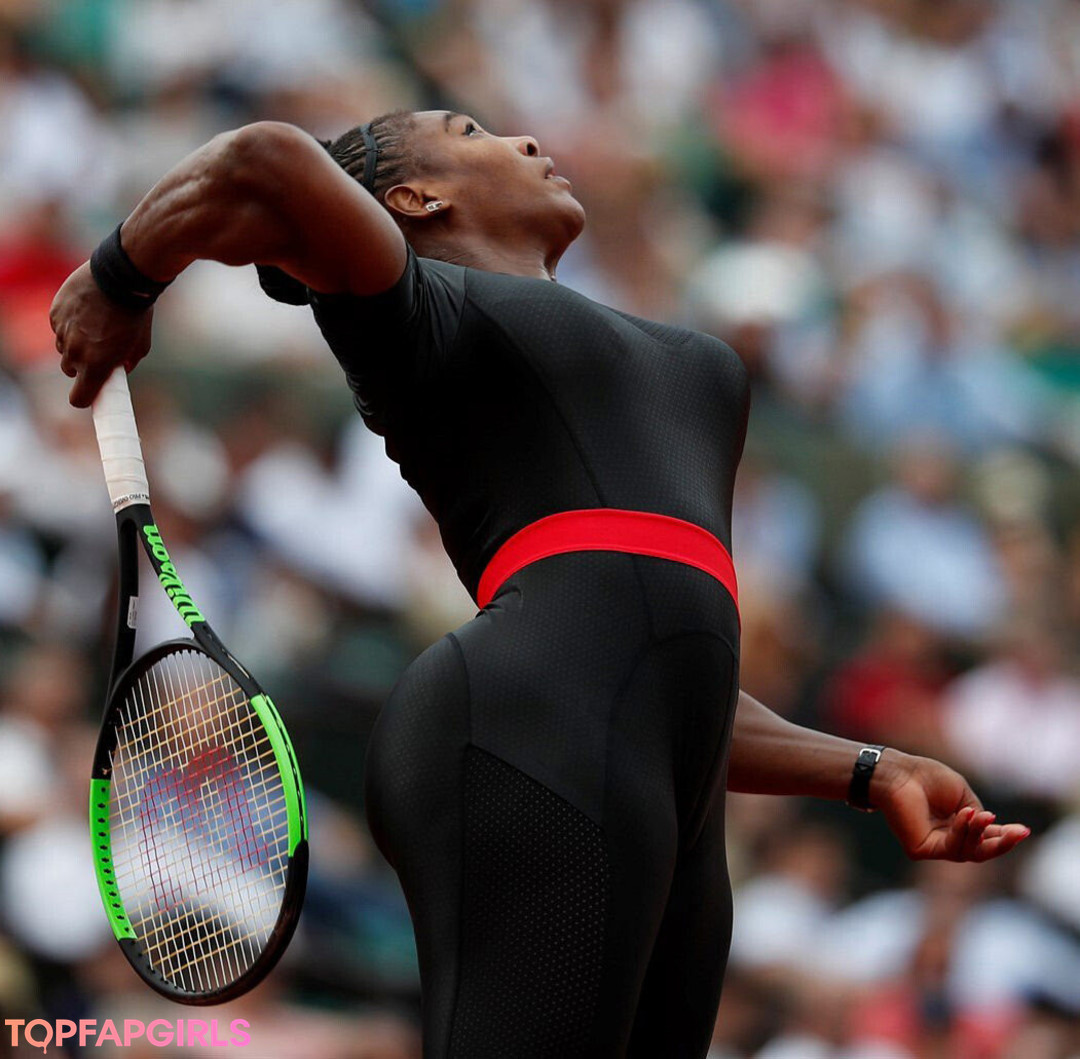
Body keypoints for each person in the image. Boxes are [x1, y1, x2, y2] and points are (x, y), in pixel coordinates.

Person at [50, 111, 1030, 1059]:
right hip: (513, 728)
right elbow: (264, 158)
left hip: (654, 762)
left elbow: (669, 669)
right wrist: (119, 278)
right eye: (468, 133)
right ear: (414, 198)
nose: (522, 138)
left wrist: (871, 769)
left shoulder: (701, 374)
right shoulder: (414, 308)